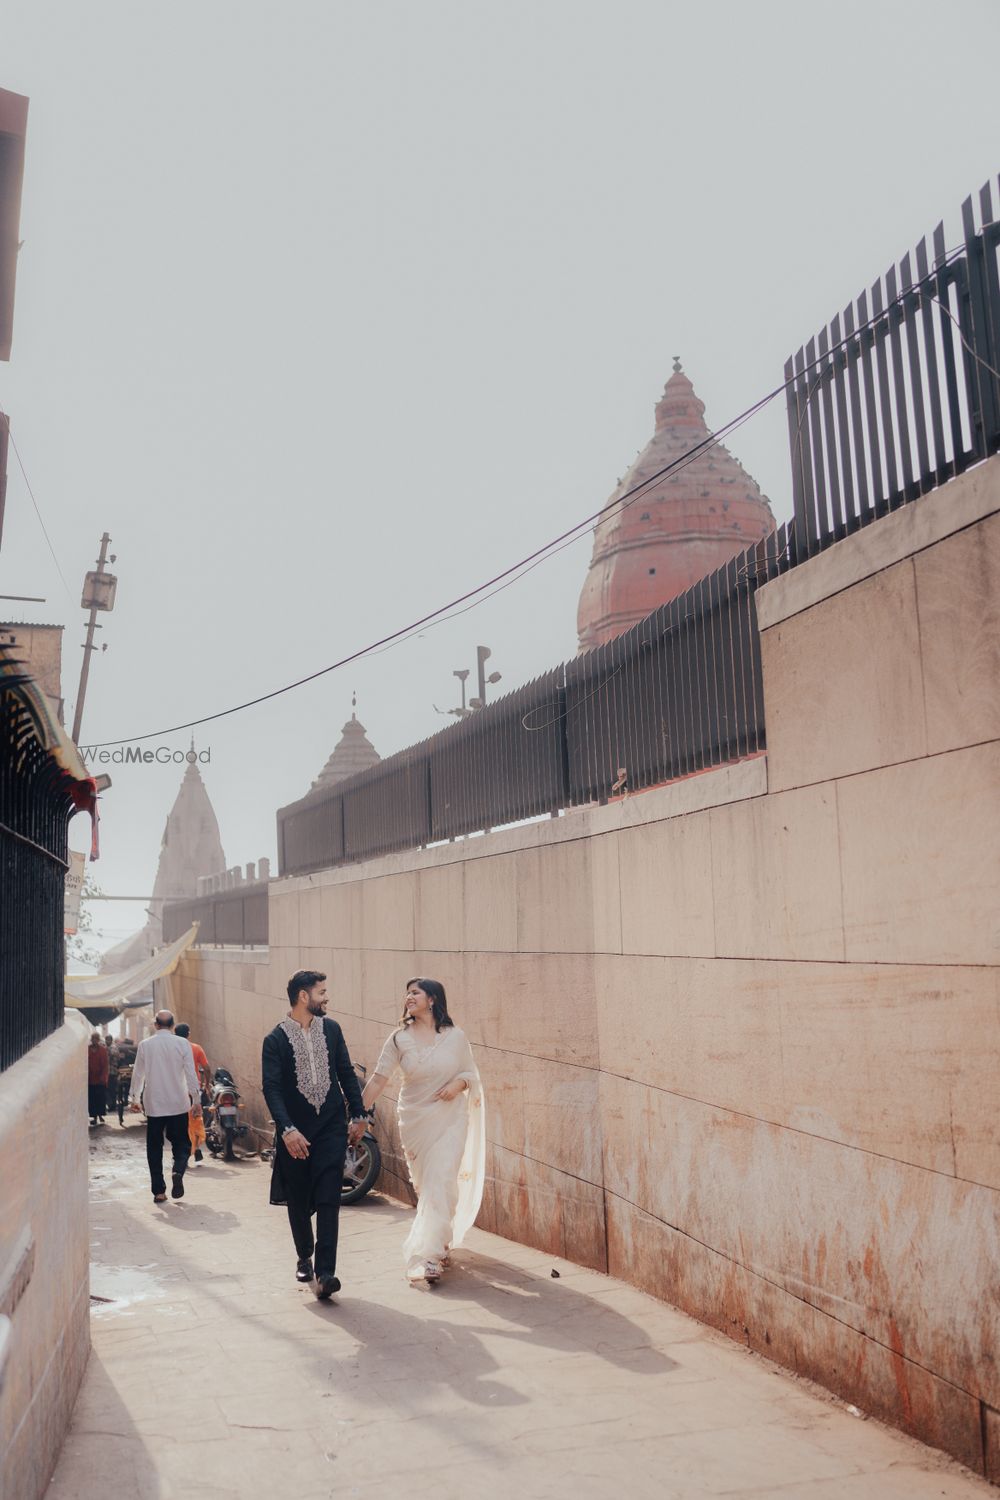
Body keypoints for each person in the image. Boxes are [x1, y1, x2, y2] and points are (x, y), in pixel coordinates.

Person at [361, 977, 485, 1284]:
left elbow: (470, 1073)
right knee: (428, 1184)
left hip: (450, 1118)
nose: (408, 997)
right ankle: (440, 1238)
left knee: (440, 1178)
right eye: (407, 993)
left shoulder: (455, 1037)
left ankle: (429, 1257)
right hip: (415, 1120)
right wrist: (357, 1111)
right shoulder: (399, 1039)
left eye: (415, 992)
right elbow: (379, 1079)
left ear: (432, 999)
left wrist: (458, 1085)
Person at [262, 970, 367, 1301]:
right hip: (296, 1131)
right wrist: (287, 1129)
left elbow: (346, 1073)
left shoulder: (332, 1030)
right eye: (322, 992)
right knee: (299, 1197)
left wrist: (359, 1114)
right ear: (303, 996)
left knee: (328, 1197)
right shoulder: (275, 1040)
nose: (327, 997)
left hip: (331, 1127)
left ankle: (326, 1272)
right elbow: (272, 1089)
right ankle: (304, 1255)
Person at [129, 1010, 202, 1204]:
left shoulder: (146, 1045)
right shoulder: (182, 1044)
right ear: (172, 1025)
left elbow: (138, 1074)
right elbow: (190, 1073)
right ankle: (178, 1169)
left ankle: (159, 1192)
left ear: (155, 1025)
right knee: (182, 1144)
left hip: (154, 1105)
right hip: (178, 1103)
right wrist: (196, 1100)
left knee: (154, 1147)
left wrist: (134, 1099)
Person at [175, 1023, 211, 1163]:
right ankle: (195, 1149)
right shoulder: (196, 1048)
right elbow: (206, 1068)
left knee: (180, 1122)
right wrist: (207, 1085)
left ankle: (184, 1152)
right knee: (195, 1120)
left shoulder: (172, 1050)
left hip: (177, 1090)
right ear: (188, 1034)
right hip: (193, 1090)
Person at [87, 1033, 109, 1126]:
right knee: (92, 1099)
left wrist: (103, 1077)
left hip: (100, 1080)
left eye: (96, 1039)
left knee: (100, 1099)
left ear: (98, 1040)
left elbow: (105, 1066)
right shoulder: (87, 1050)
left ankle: (100, 1115)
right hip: (90, 1079)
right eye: (93, 1039)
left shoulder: (103, 1050)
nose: (94, 1040)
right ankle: (94, 1117)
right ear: (91, 1039)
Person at [104, 1036, 119, 1120]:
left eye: (108, 1040)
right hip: (107, 1072)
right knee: (108, 1090)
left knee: (111, 1090)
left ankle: (112, 1106)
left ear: (111, 1040)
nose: (107, 1041)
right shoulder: (107, 1047)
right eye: (106, 1040)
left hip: (112, 1072)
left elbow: (114, 1054)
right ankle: (110, 1105)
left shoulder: (113, 1047)